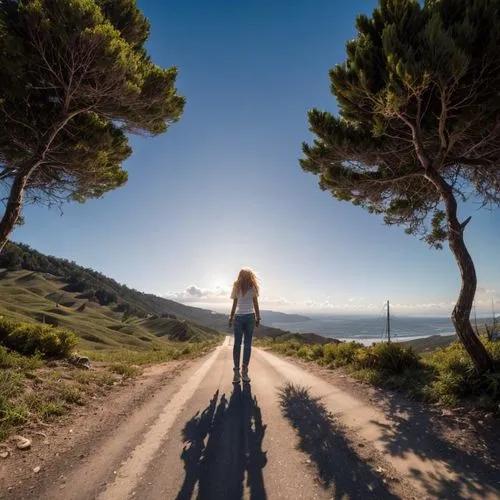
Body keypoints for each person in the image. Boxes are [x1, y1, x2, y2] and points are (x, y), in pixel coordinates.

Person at [229, 268, 261, 383]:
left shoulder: (246, 288)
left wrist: (231, 317)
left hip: (241, 318)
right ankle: (242, 372)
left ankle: (238, 373)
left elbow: (254, 303)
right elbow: (254, 304)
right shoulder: (247, 287)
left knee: (238, 345)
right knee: (246, 345)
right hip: (248, 318)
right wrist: (258, 317)